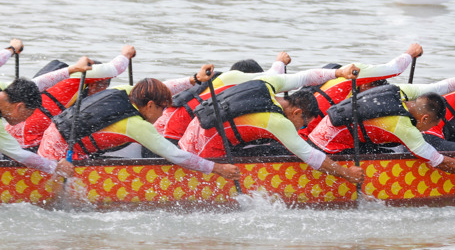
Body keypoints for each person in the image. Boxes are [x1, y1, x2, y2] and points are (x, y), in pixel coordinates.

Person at [37, 66, 240, 181]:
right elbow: (176, 155)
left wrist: (194, 79)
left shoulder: (128, 92)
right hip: (59, 155)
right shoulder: (136, 125)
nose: (162, 115)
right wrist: (218, 169)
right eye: (162, 109)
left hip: (54, 134)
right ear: (150, 105)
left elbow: (166, 86)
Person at [307, 64, 455, 182]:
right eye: (428, 127)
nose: (425, 131)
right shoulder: (402, 126)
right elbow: (437, 160)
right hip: (327, 148)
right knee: (399, 154)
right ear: (424, 119)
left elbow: (438, 87)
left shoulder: (399, 91)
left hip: (329, 133)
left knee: (393, 149)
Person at [178, 64, 364, 184]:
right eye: (303, 124)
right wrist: (347, 174)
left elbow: (304, 78)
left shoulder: (267, 83)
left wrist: (339, 72)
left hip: (190, 137)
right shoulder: (276, 122)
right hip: (203, 152)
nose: (301, 128)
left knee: (273, 146)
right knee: (283, 151)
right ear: (297, 112)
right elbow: (312, 158)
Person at [6, 45, 136, 150]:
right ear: (96, 83)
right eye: (102, 89)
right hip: (27, 143)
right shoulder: (80, 77)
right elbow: (114, 68)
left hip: (12, 136)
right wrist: (126, 53)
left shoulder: (65, 81)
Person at [154, 52, 290, 143]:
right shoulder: (236, 86)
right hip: (169, 135)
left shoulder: (220, 83)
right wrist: (280, 61)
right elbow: (272, 76)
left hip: (160, 129)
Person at [297, 43, 424, 139]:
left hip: (303, 133)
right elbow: (394, 69)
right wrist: (410, 53)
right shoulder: (357, 73)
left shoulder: (341, 77)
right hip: (309, 138)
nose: (373, 97)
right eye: (374, 91)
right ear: (366, 83)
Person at [0, 55, 94, 177]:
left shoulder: (5, 90)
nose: (25, 120)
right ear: (20, 107)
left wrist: (73, 69)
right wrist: (56, 167)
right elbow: (19, 154)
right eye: (27, 115)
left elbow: (38, 83)